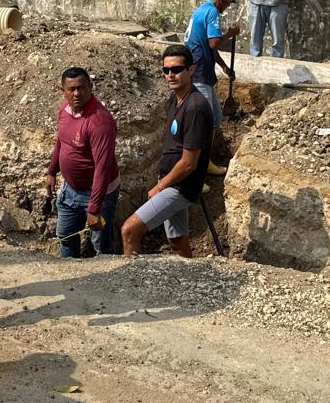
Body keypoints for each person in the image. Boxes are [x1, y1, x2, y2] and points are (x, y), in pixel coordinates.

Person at [121, 44, 212, 258]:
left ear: (191, 69)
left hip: (179, 187)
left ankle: (132, 279)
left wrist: (160, 187)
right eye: (166, 70)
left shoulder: (195, 107)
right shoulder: (176, 98)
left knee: (129, 231)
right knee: (177, 242)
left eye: (177, 69)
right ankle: (191, 278)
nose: (170, 75)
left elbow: (188, 163)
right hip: (172, 182)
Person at [46, 67, 120, 257]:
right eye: (72, 89)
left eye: (81, 88)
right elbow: (61, 142)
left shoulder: (100, 121)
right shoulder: (64, 110)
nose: (77, 93)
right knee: (66, 236)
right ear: (63, 91)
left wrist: (94, 208)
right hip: (70, 189)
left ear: (90, 87)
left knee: (101, 246)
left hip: (97, 194)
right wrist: (51, 171)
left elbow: (103, 167)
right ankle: (68, 273)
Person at [183, 0, 240, 147]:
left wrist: (224, 67)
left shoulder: (201, 10)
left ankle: (210, 152)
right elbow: (214, 43)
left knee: (215, 118)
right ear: (222, 0)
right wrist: (230, 33)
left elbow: (208, 47)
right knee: (204, 121)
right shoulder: (213, 12)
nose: (227, 7)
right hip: (199, 71)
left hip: (200, 70)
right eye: (228, 3)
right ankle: (201, 158)